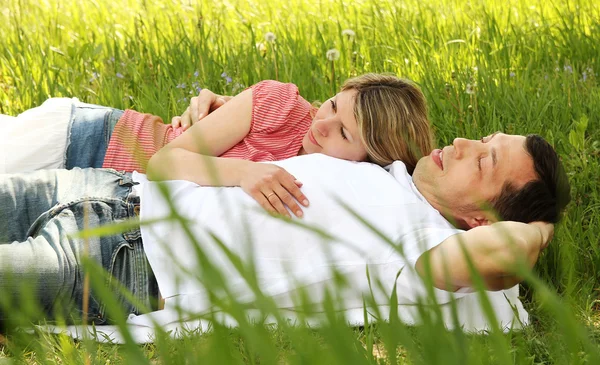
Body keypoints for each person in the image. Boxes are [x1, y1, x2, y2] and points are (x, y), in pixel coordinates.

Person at [0, 130, 570, 332]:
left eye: (485, 163)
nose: (465, 146)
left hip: (122, 262)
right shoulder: (387, 170)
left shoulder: (423, 247)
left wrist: (539, 227)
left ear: (480, 219)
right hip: (108, 189)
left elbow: (499, 256)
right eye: (484, 140)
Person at [0, 74, 433, 218]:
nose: (323, 124)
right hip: (90, 142)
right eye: (334, 105)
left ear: (372, 160)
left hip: (100, 198)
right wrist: (243, 173)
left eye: (343, 133)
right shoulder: (278, 103)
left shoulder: (354, 189)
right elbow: (165, 161)